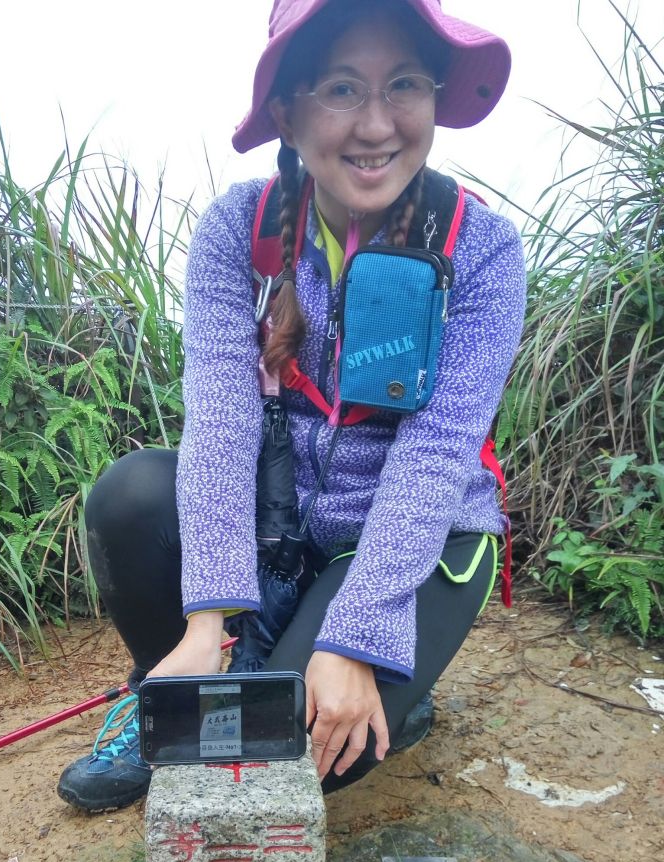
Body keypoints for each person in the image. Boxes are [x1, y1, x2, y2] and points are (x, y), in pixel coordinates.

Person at [57, 0, 526, 813]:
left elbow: (436, 454)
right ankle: (170, 686)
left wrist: (356, 639)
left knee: (296, 749)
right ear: (287, 110)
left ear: (435, 94)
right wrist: (205, 623)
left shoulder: (481, 250)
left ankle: (381, 678)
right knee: (130, 495)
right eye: (342, 89)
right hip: (281, 522)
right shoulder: (237, 231)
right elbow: (221, 429)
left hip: (419, 529)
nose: (377, 125)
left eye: (404, 85)